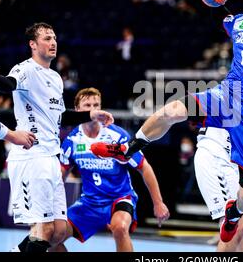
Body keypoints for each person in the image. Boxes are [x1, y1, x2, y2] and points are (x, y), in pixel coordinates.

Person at [91, 0, 243, 243]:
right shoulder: (238, 23)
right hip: (229, 96)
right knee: (172, 110)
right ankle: (130, 148)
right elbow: (226, 13)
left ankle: (232, 215)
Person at [0, 22, 114, 252]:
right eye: (46, 38)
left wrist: (91, 114)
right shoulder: (24, 69)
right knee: (43, 229)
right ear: (33, 45)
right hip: (31, 155)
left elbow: (61, 117)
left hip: (51, 157)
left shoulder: (55, 78)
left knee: (60, 231)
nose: (53, 42)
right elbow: (8, 84)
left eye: (54, 37)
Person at [49, 87, 169, 252]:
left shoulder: (117, 136)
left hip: (120, 198)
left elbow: (144, 168)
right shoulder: (72, 139)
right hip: (89, 202)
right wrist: (49, 204)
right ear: (77, 110)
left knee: (119, 227)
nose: (93, 109)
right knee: (53, 236)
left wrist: (158, 203)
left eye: (96, 105)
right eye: (87, 105)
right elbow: (60, 175)